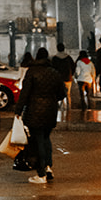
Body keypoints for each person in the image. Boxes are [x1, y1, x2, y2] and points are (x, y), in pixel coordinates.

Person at [17, 47, 65, 184]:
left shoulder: (32, 72)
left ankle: (41, 173)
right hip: (51, 111)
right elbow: (62, 93)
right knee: (46, 139)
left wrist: (18, 110)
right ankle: (48, 167)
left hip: (34, 111)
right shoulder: (54, 73)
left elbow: (25, 93)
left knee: (37, 142)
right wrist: (51, 99)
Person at [52, 42, 76, 115]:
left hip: (58, 79)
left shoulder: (55, 58)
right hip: (68, 78)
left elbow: (52, 69)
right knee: (68, 94)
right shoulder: (68, 58)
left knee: (58, 93)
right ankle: (69, 108)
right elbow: (73, 67)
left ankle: (61, 107)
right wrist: (71, 74)